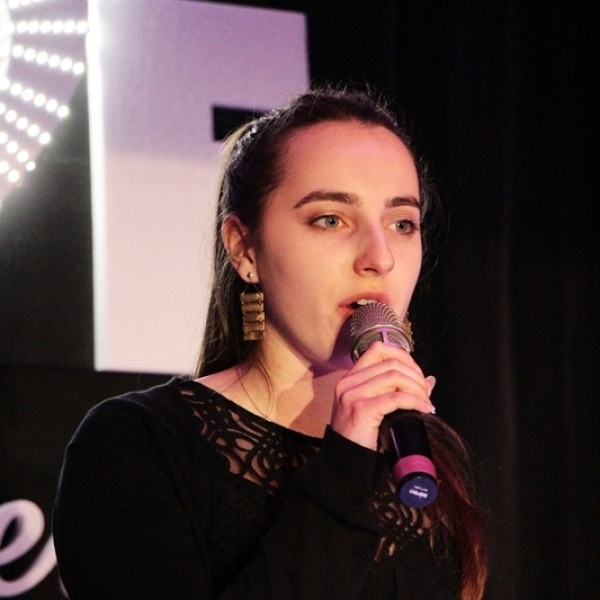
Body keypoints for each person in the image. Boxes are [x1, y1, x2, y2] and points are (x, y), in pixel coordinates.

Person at [53, 87, 487, 599]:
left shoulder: (427, 458)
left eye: (402, 224)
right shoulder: (136, 445)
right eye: (330, 219)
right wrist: (345, 464)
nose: (380, 257)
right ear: (244, 248)